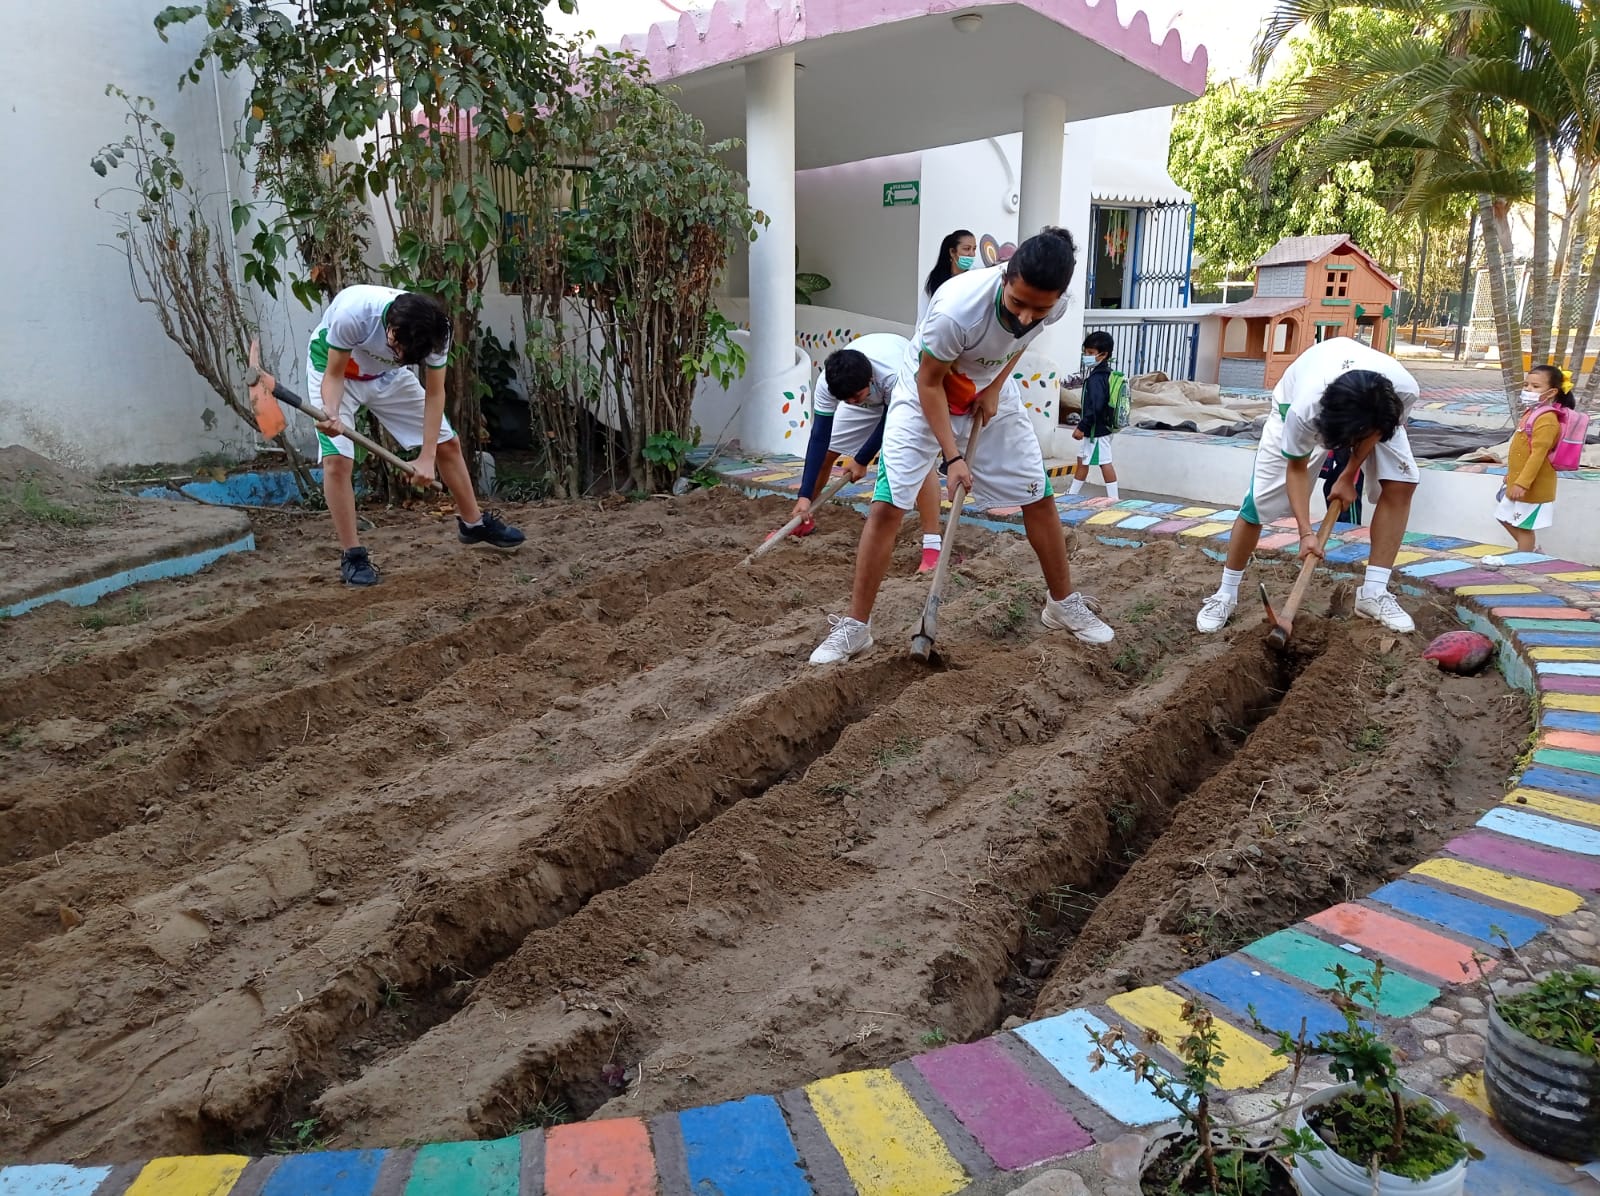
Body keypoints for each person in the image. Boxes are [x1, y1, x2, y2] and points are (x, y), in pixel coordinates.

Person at [809, 227, 1115, 665]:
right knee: (888, 504)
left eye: (1039, 308)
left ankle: (1061, 605)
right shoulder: (957, 307)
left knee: (1038, 495)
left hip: (988, 389)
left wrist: (994, 387)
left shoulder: (1055, 304)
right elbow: (929, 382)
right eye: (1017, 303)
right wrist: (951, 457)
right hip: (924, 393)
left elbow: (1019, 341)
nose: (1027, 315)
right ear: (1005, 278)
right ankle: (856, 628)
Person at [1195, 335, 1420, 635]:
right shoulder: (1304, 409)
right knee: (1258, 504)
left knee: (1402, 482)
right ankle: (1225, 594)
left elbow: (1379, 429)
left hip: (1371, 411)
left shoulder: (1401, 392)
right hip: (1298, 403)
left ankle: (1373, 594)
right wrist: (1305, 533)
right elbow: (1297, 467)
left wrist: (1349, 473)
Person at [307, 284, 523, 586]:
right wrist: (331, 412)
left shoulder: (436, 331)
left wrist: (427, 456)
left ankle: (473, 524)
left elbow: (436, 394)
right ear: (391, 328)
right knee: (337, 461)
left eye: (405, 355)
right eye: (395, 348)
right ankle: (352, 554)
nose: (397, 354)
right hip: (336, 372)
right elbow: (333, 374)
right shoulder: (353, 314)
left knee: (447, 443)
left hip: (386, 377)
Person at [781, 334, 947, 572]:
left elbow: (889, 421)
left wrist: (861, 459)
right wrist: (804, 495)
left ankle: (933, 549)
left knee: (918, 461)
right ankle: (804, 517)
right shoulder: (832, 385)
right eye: (844, 400)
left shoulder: (893, 375)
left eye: (854, 397)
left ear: (869, 380)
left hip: (907, 396)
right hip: (870, 397)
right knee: (826, 453)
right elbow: (819, 437)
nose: (850, 401)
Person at [1482, 364, 1575, 568]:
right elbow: (1521, 451)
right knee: (1503, 516)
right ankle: (1529, 553)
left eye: (1535, 386)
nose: (1528, 390)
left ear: (1551, 392)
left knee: (1523, 527)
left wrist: (1522, 483)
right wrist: (1511, 475)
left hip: (1533, 487)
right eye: (1526, 385)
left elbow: (1538, 456)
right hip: (1518, 481)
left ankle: (1524, 559)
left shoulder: (1548, 420)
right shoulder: (1531, 413)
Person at [1066, 330, 1123, 500]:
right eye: (1085, 352)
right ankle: (1071, 494)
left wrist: (1082, 427)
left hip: (1096, 431)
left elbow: (1096, 406)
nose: (1086, 356)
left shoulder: (1097, 379)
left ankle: (1114, 498)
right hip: (1097, 428)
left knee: (1104, 462)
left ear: (1103, 355)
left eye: (1091, 353)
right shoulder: (1106, 374)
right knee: (1082, 459)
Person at [918, 229, 978, 322]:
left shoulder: (976, 277)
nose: (972, 254)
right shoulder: (936, 278)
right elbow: (923, 314)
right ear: (952, 252)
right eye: (967, 249)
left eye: (974, 249)